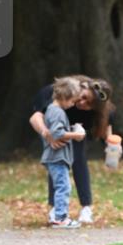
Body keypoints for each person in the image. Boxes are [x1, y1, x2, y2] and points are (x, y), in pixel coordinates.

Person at [29, 75, 113, 224]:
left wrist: (112, 144)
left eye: (89, 104)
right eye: (83, 97)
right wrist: (47, 134)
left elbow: (107, 123)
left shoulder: (98, 107)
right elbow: (35, 117)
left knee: (78, 159)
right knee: (57, 163)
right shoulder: (58, 93)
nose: (82, 102)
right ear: (83, 86)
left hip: (74, 129)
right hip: (51, 128)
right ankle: (56, 209)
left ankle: (86, 207)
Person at [40, 77, 86, 229]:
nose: (73, 104)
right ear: (64, 98)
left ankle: (59, 216)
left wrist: (72, 129)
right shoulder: (57, 112)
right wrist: (76, 135)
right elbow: (57, 132)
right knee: (63, 187)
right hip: (56, 157)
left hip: (57, 157)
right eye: (72, 101)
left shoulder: (52, 110)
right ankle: (60, 218)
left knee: (62, 186)